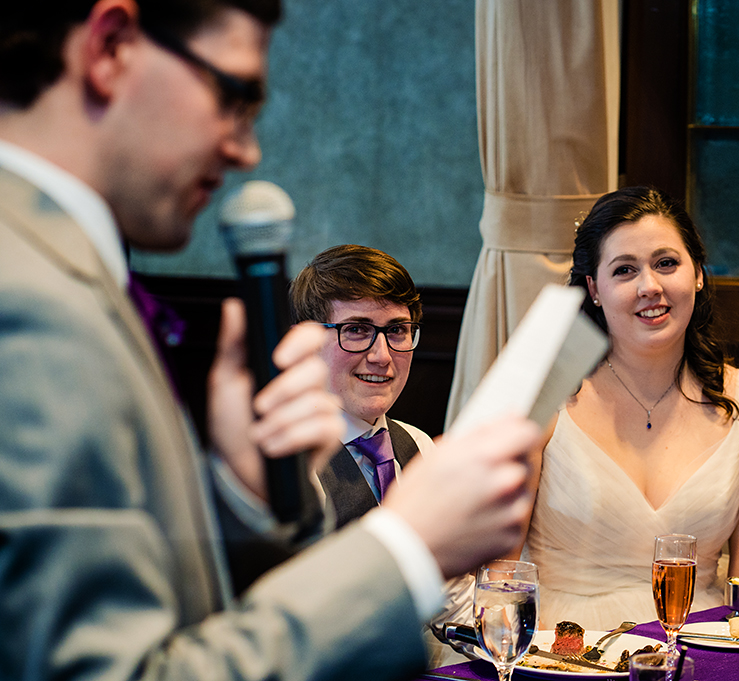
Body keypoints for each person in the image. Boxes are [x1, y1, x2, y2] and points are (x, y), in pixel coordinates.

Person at [0, 2, 539, 680]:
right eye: (234, 95)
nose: (244, 149)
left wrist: (240, 497)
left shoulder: (56, 265)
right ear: (110, 48)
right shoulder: (28, 299)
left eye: (397, 331)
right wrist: (406, 547)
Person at [520, 186, 739, 630]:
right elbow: (498, 578)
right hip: (562, 653)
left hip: (700, 649)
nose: (650, 286)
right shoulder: (543, 397)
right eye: (625, 270)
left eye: (666, 263)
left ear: (698, 274)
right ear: (594, 289)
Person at [290, 244, 433, 526]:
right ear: (307, 342)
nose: (382, 356)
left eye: (396, 330)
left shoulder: (421, 447)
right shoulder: (293, 470)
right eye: (356, 329)